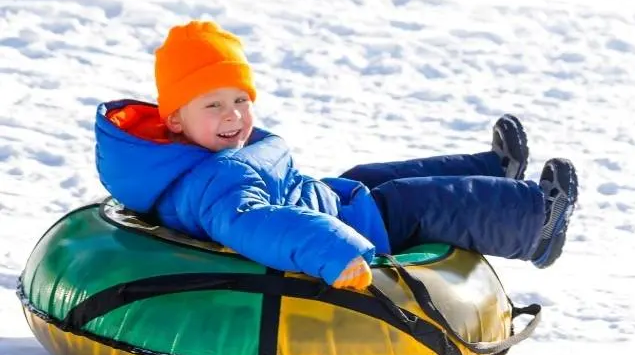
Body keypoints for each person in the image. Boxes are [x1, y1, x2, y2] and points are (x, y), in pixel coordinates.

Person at [95, 20, 579, 291]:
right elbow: (254, 223)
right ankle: (535, 225)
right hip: (347, 229)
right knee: (417, 202)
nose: (233, 116)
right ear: (175, 119)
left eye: (240, 100)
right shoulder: (216, 182)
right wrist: (334, 253)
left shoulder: (190, 157)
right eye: (214, 105)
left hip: (320, 199)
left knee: (367, 176)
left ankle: (494, 172)